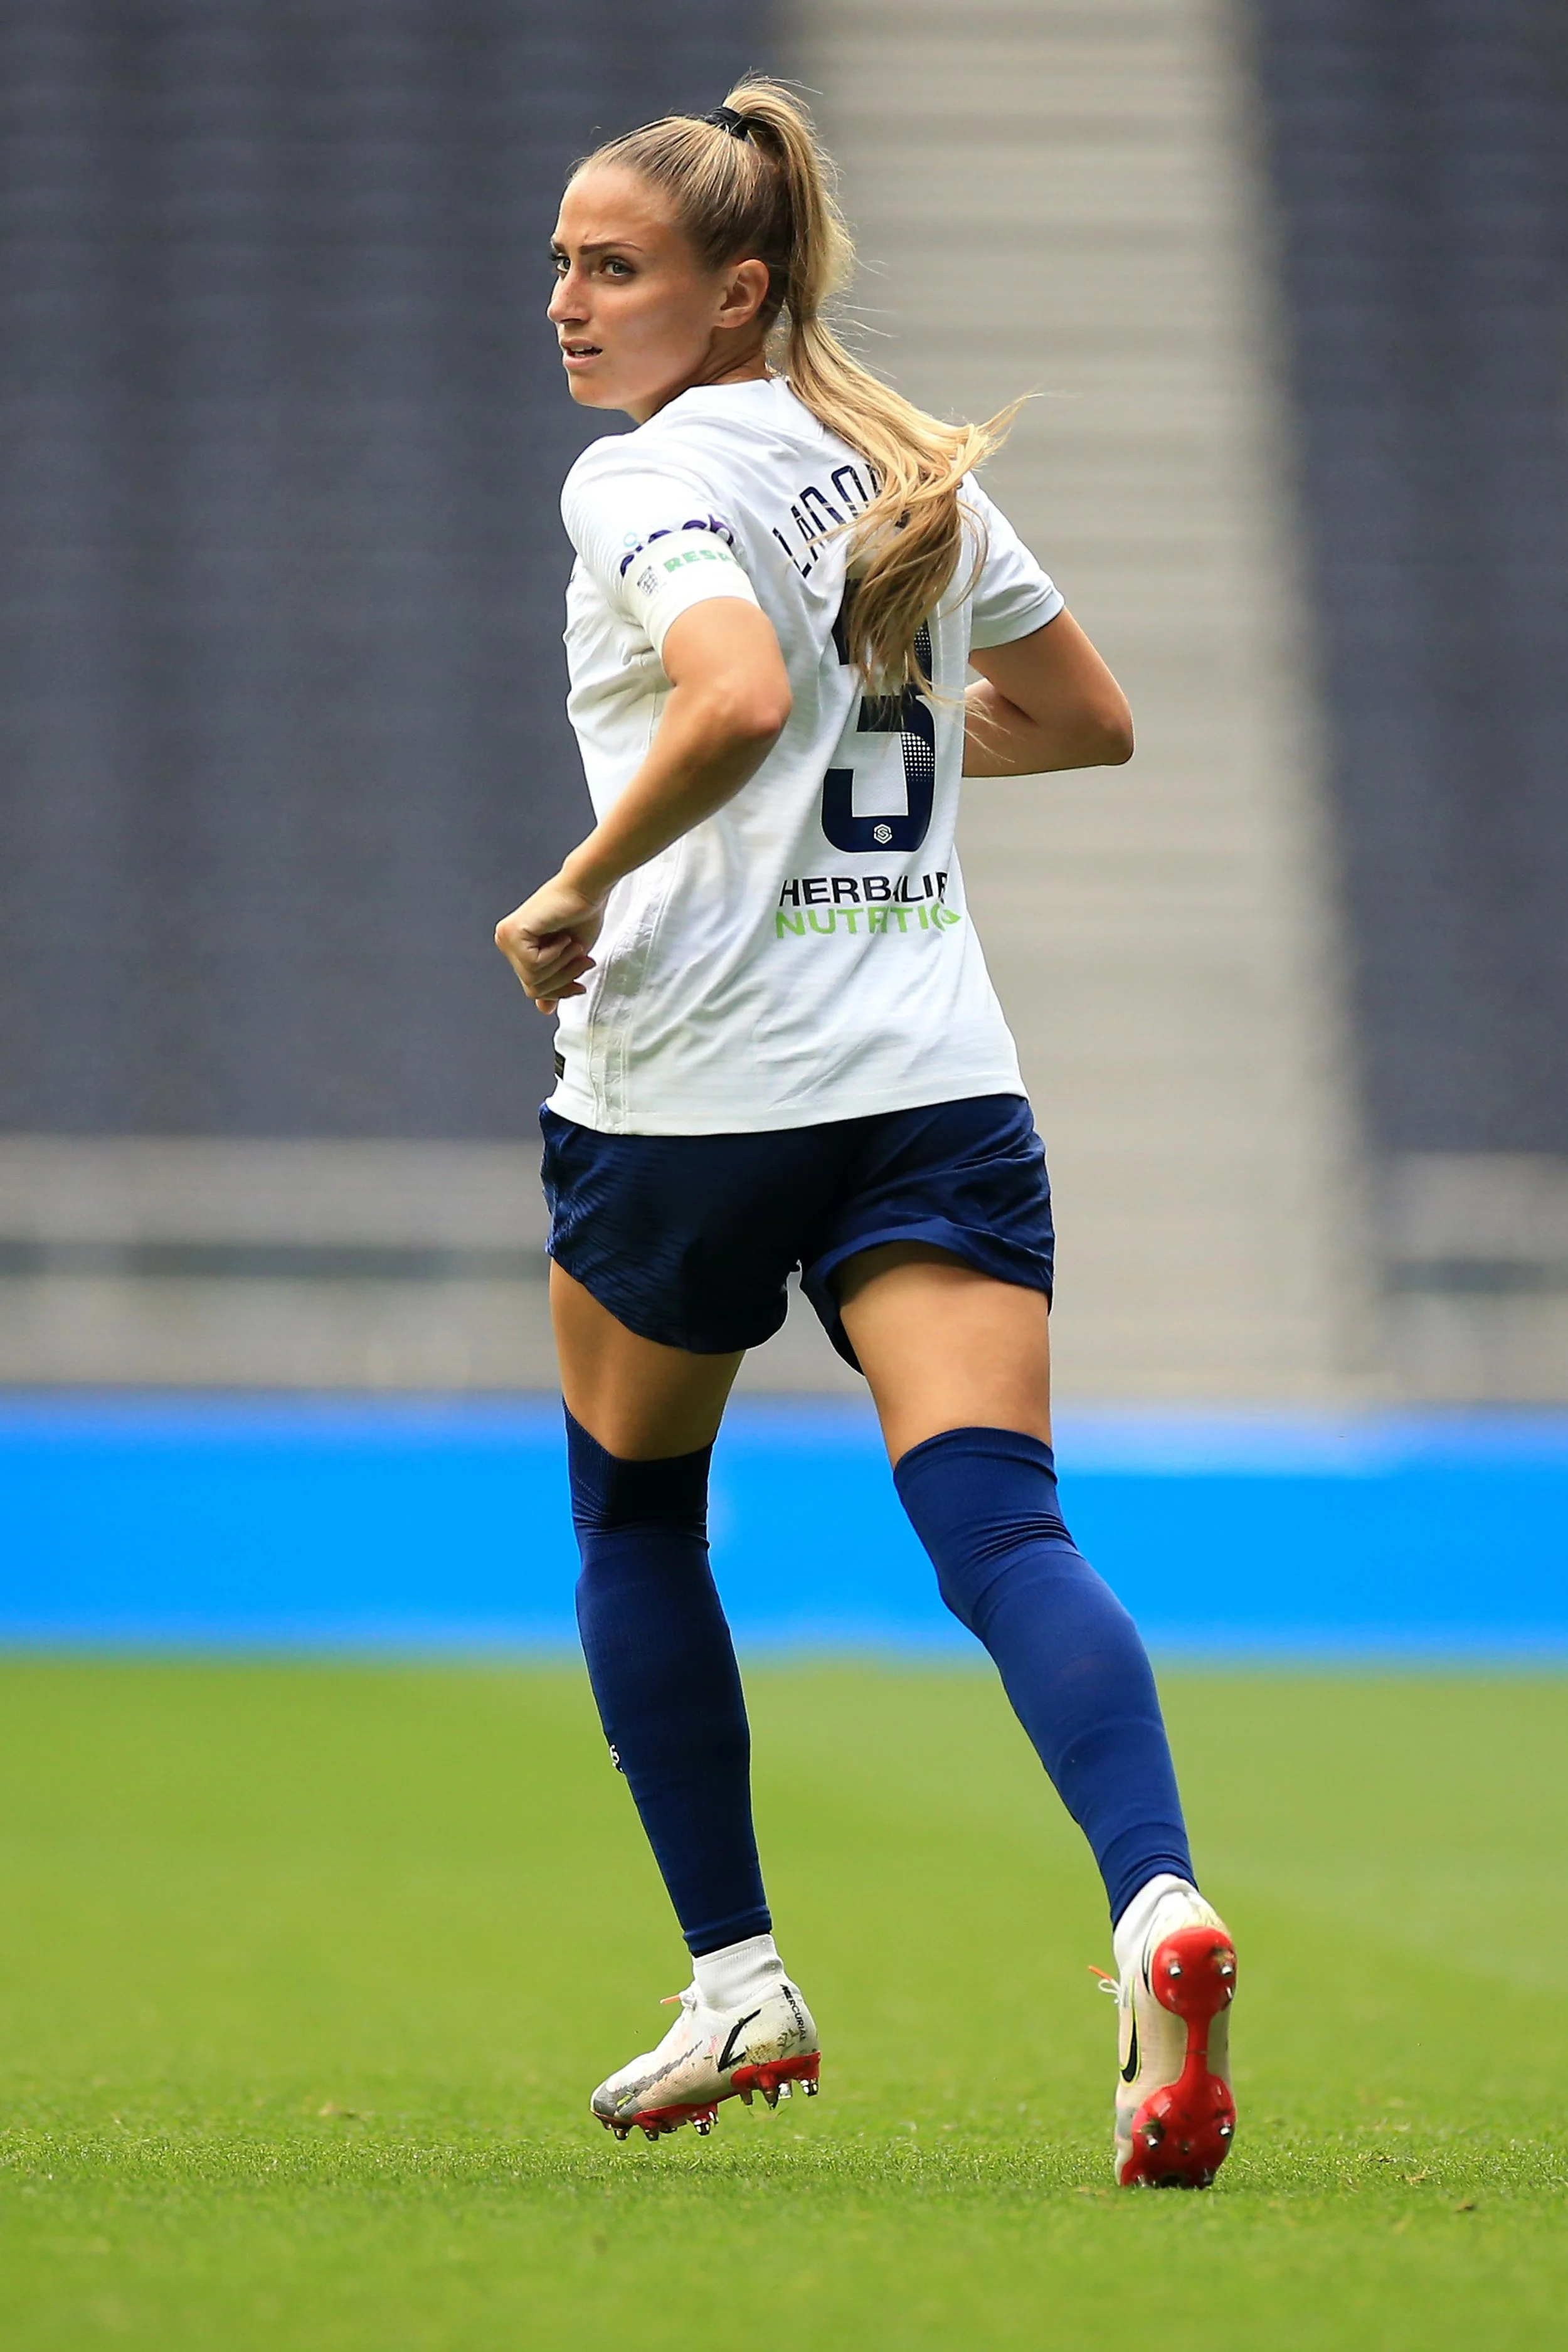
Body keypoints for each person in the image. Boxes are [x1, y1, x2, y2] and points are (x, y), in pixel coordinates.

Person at [495, 81, 1236, 2188]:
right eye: (558, 258)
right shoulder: (906, 473)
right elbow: (1086, 719)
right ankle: (1153, 1905)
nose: (563, 298)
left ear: (732, 292)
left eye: (608, 265)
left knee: (639, 1523)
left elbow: (726, 696)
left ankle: (736, 1975)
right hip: (929, 1081)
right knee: (1001, 1528)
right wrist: (856, 753)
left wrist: (574, 885)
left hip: (694, 1099)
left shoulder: (639, 478)